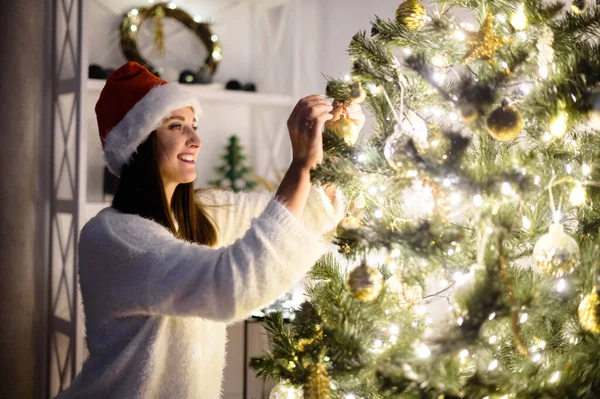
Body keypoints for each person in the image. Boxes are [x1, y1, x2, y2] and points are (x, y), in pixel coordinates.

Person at [55, 61, 365, 398]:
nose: (196, 139)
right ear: (137, 143)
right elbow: (231, 285)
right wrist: (301, 166)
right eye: (176, 126)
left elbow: (308, 211)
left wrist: (337, 142)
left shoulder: (203, 213)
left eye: (193, 124)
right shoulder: (112, 237)